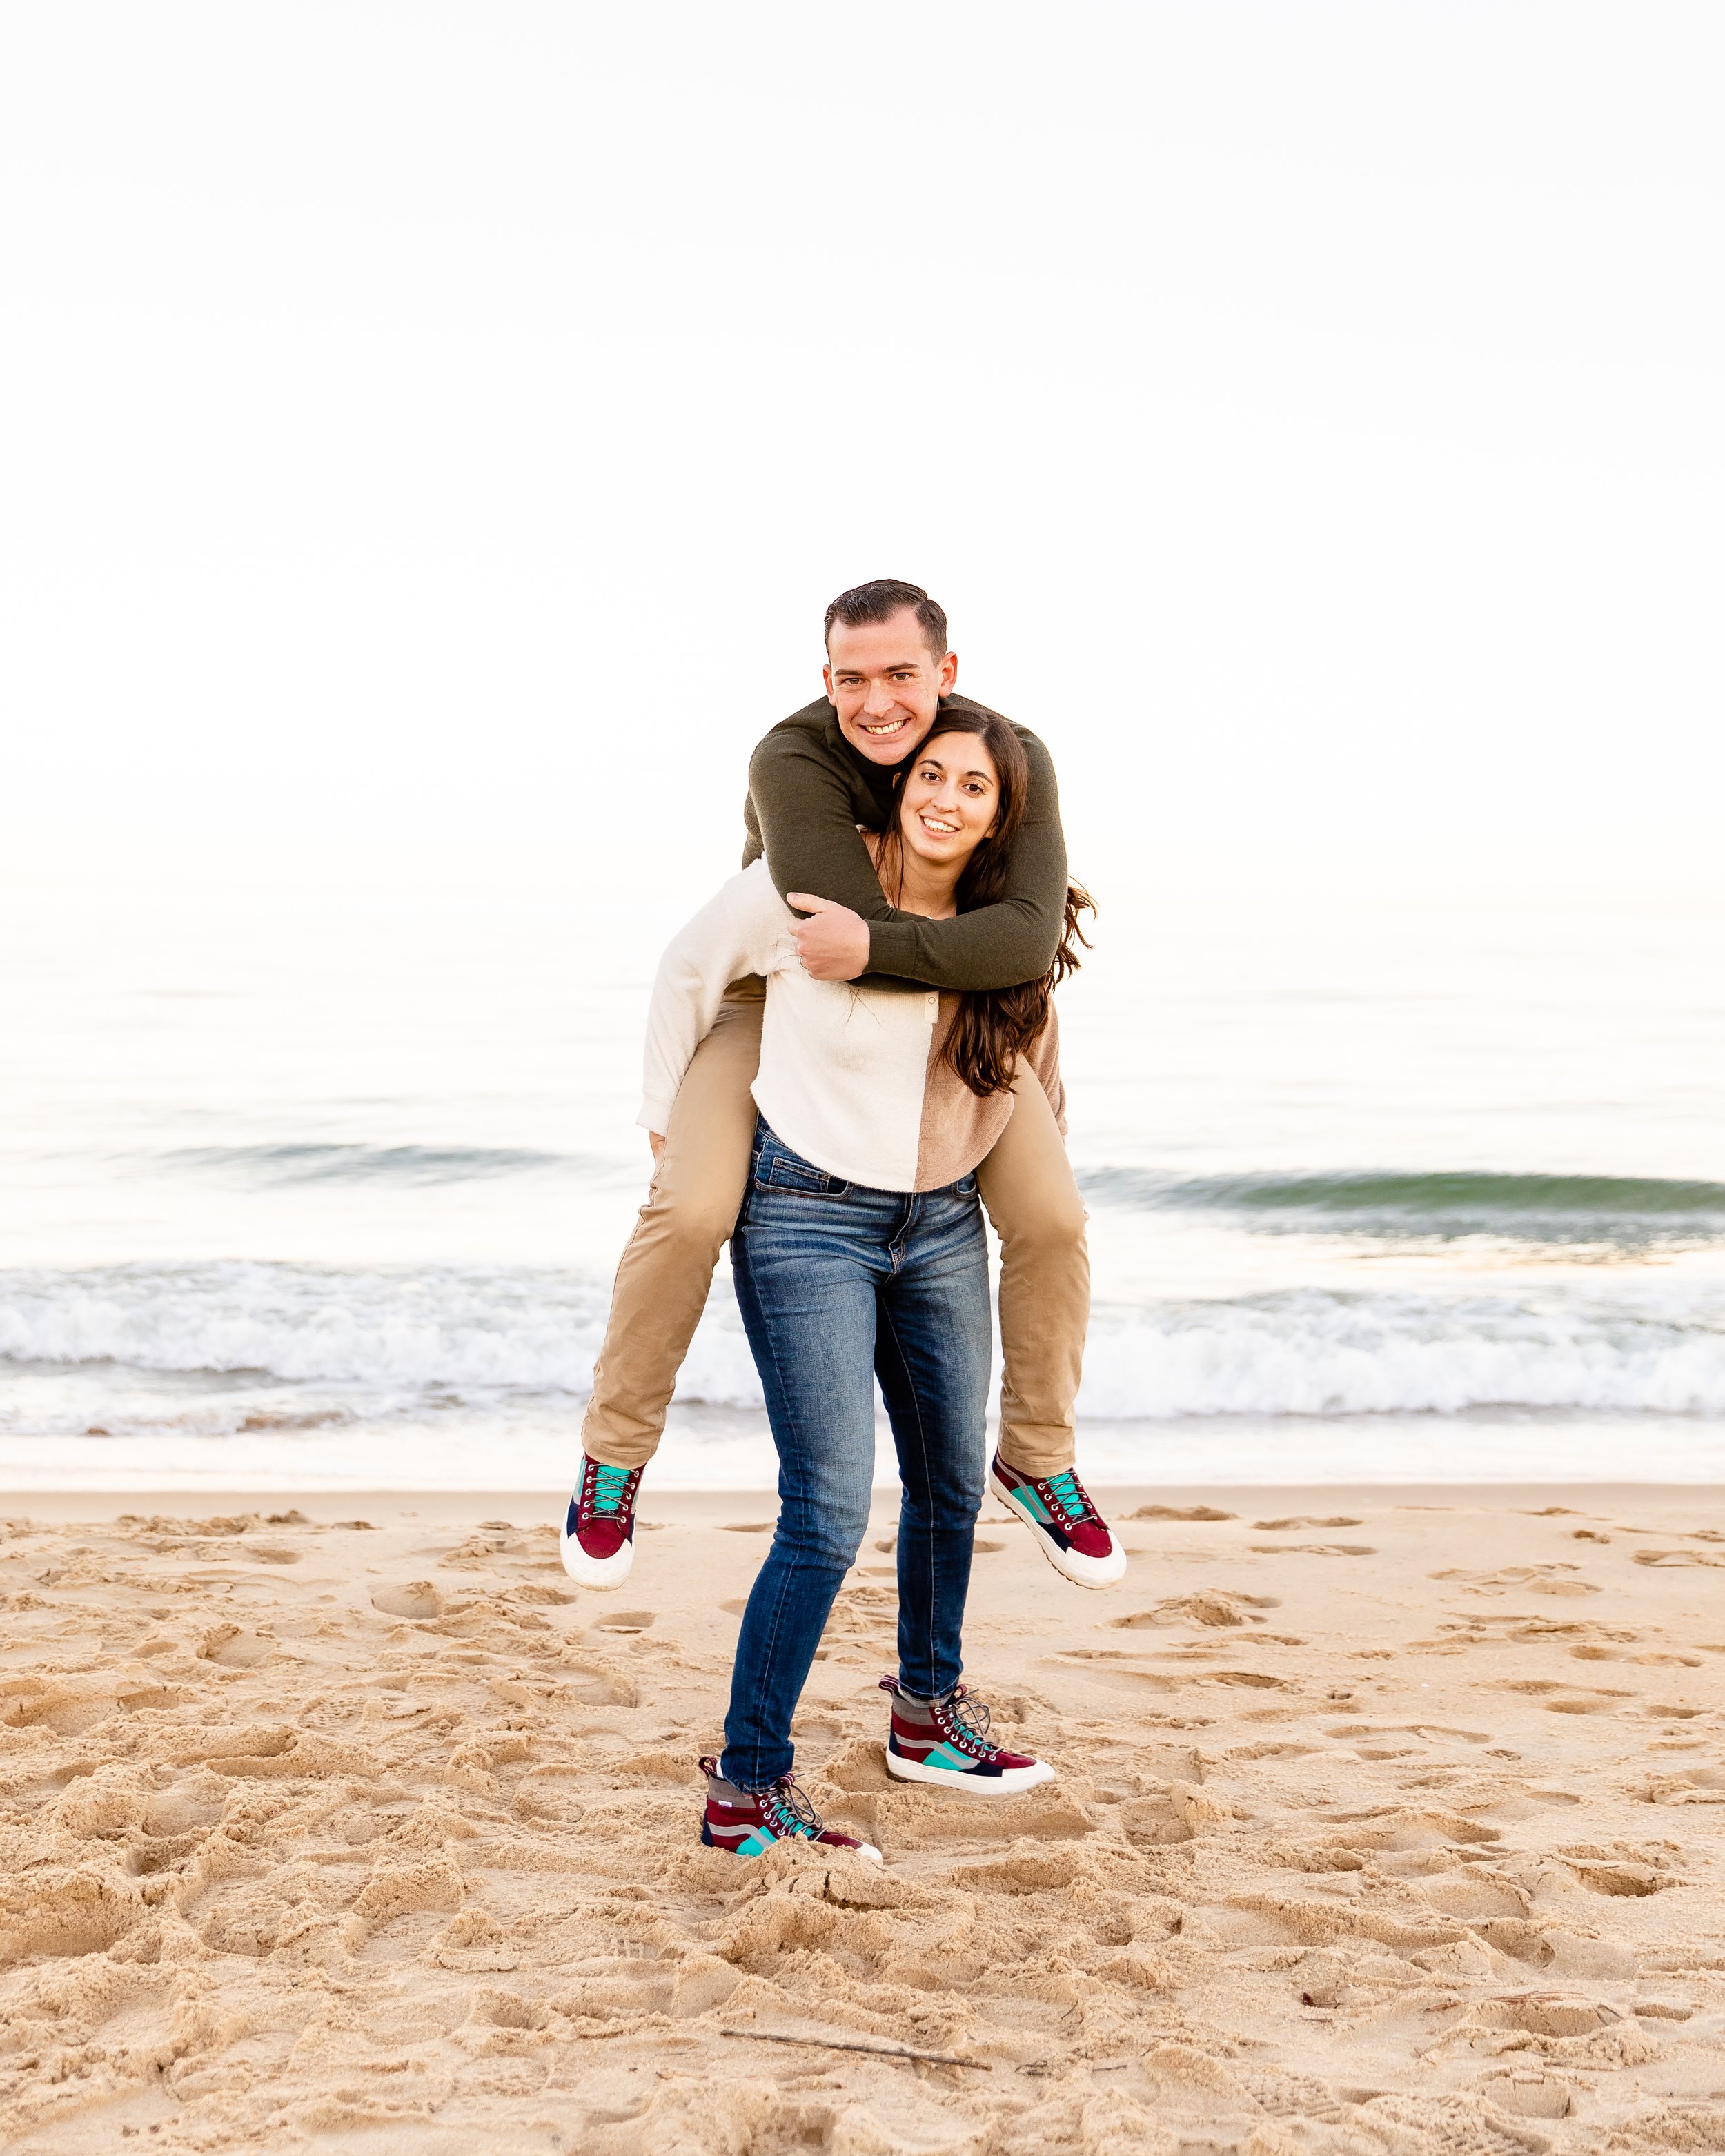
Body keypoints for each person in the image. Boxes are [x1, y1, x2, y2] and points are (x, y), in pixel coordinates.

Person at [560, 582, 1124, 1596]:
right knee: (689, 1207)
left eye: (902, 676)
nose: (877, 704)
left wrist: (1038, 1084)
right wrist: (659, 1113)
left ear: (946, 674)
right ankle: (614, 1457)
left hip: (952, 1013)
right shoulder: (795, 757)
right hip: (776, 997)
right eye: (852, 679)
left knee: (1053, 1215)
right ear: (826, 680)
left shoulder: (1003, 757)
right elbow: (840, 936)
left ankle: (1037, 1457)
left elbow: (1031, 941)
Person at [645, 709, 1082, 1856]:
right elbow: (689, 970)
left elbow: (1033, 1057)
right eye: (928, 773)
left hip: (936, 1219)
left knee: (946, 1480)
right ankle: (746, 1783)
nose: (944, 795)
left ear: (1004, 813)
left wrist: (1039, 1171)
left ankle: (926, 1715)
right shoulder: (811, 886)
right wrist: (665, 1124)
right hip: (806, 1218)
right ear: (897, 785)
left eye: (973, 785)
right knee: (828, 1512)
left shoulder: (1007, 924)